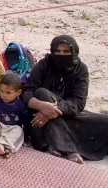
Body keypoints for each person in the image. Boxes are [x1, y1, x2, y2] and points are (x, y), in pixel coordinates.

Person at [22, 35, 108, 164]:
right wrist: (41, 106)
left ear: (74, 52)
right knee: (42, 92)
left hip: (65, 115)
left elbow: (78, 103)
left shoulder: (81, 70)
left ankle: (56, 145)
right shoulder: (44, 65)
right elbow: (26, 91)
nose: (61, 55)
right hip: (38, 121)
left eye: (66, 51)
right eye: (58, 51)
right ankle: (69, 149)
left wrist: (52, 110)